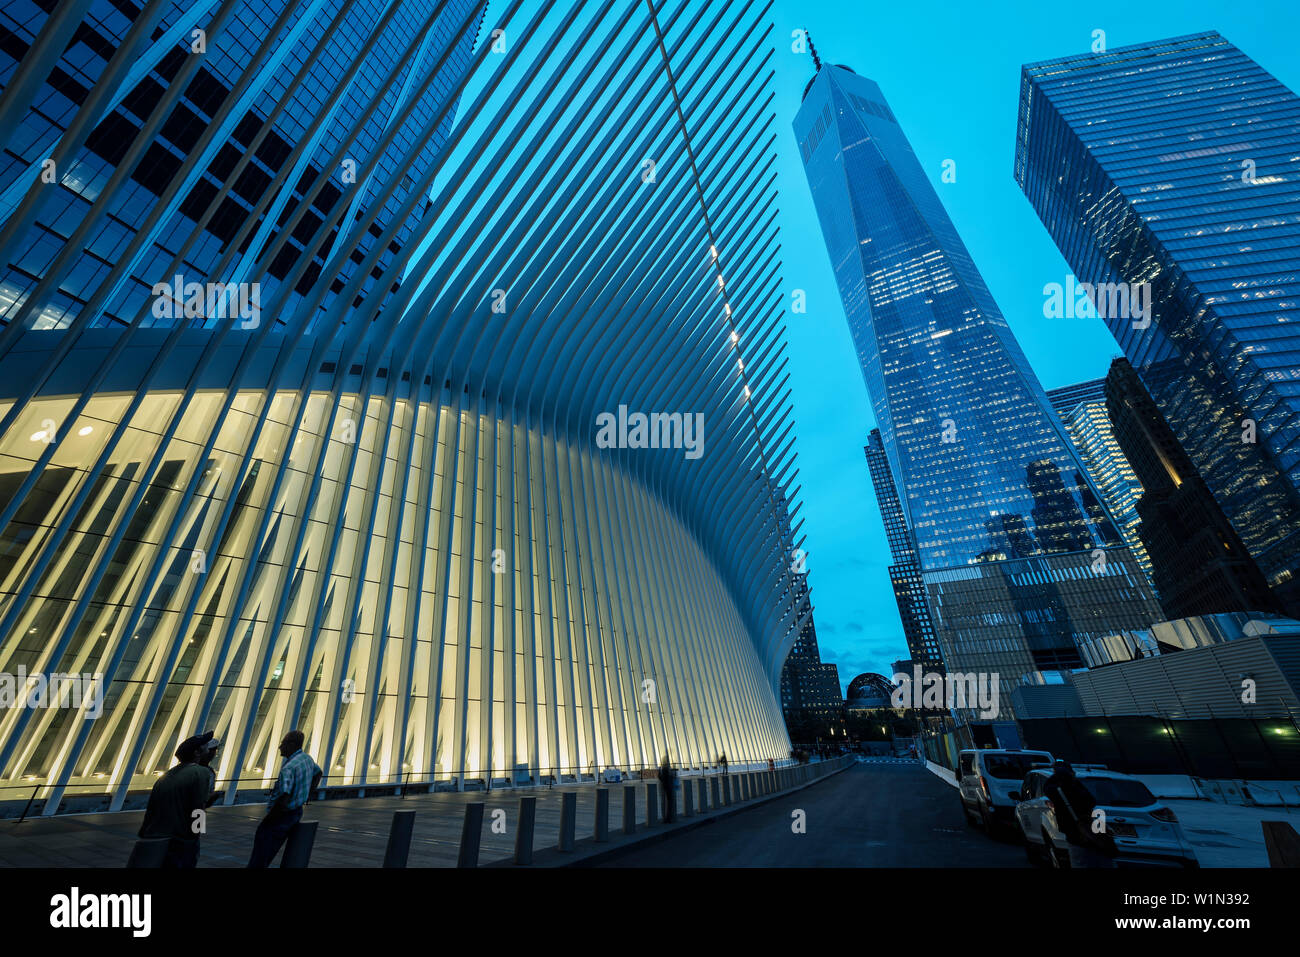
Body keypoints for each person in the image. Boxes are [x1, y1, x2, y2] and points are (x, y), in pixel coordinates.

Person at [138, 731, 221, 868]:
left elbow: (151, 809)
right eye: (205, 746)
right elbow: (198, 807)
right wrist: (197, 833)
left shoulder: (165, 777)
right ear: (197, 753)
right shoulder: (201, 773)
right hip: (181, 839)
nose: (210, 749)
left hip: (156, 838)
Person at [247, 730, 322, 868]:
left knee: (262, 851)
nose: (280, 747)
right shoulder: (307, 759)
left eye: (283, 743)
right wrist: (307, 793)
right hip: (297, 812)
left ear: (292, 744)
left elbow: (284, 797)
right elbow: (318, 773)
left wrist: (269, 818)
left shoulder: (288, 768)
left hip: (282, 816)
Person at [1042, 759, 1116, 867]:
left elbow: (1047, 788)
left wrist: (1058, 773)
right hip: (1092, 831)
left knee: (1080, 862)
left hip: (1075, 835)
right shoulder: (1077, 787)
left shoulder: (1058, 791)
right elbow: (1091, 801)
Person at [657, 755, 676, 823]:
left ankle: (665, 818)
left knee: (665, 803)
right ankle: (668, 818)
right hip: (669, 788)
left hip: (664, 788)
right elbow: (672, 777)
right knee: (669, 803)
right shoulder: (668, 769)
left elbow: (660, 777)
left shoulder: (663, 769)